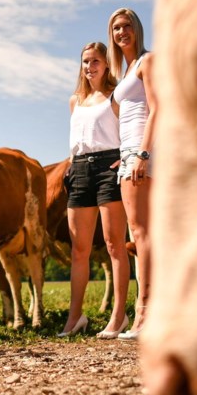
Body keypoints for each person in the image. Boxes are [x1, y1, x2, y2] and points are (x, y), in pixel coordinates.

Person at [59, 42, 131, 339]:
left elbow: (128, 133)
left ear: (106, 64)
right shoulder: (75, 100)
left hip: (108, 168)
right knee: (79, 250)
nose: (90, 67)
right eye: (86, 61)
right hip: (78, 170)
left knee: (115, 245)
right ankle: (75, 317)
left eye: (96, 61)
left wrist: (123, 157)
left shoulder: (116, 97)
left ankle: (119, 316)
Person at [108, 8, 156, 340]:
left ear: (137, 29)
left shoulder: (147, 62)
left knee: (141, 234)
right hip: (126, 155)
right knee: (138, 235)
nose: (121, 31)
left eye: (126, 26)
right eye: (115, 28)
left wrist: (143, 154)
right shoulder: (125, 71)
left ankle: (145, 316)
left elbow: (158, 108)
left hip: (141, 154)